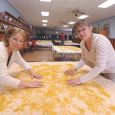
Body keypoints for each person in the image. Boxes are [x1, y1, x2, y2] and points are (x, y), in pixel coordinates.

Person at [65, 20, 115, 86]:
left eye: (83, 29)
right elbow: (84, 58)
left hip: (111, 71)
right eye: (78, 31)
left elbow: (100, 66)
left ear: (90, 29)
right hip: (98, 71)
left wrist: (81, 79)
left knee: (110, 91)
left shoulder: (100, 41)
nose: (81, 33)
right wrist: (75, 68)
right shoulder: (82, 44)